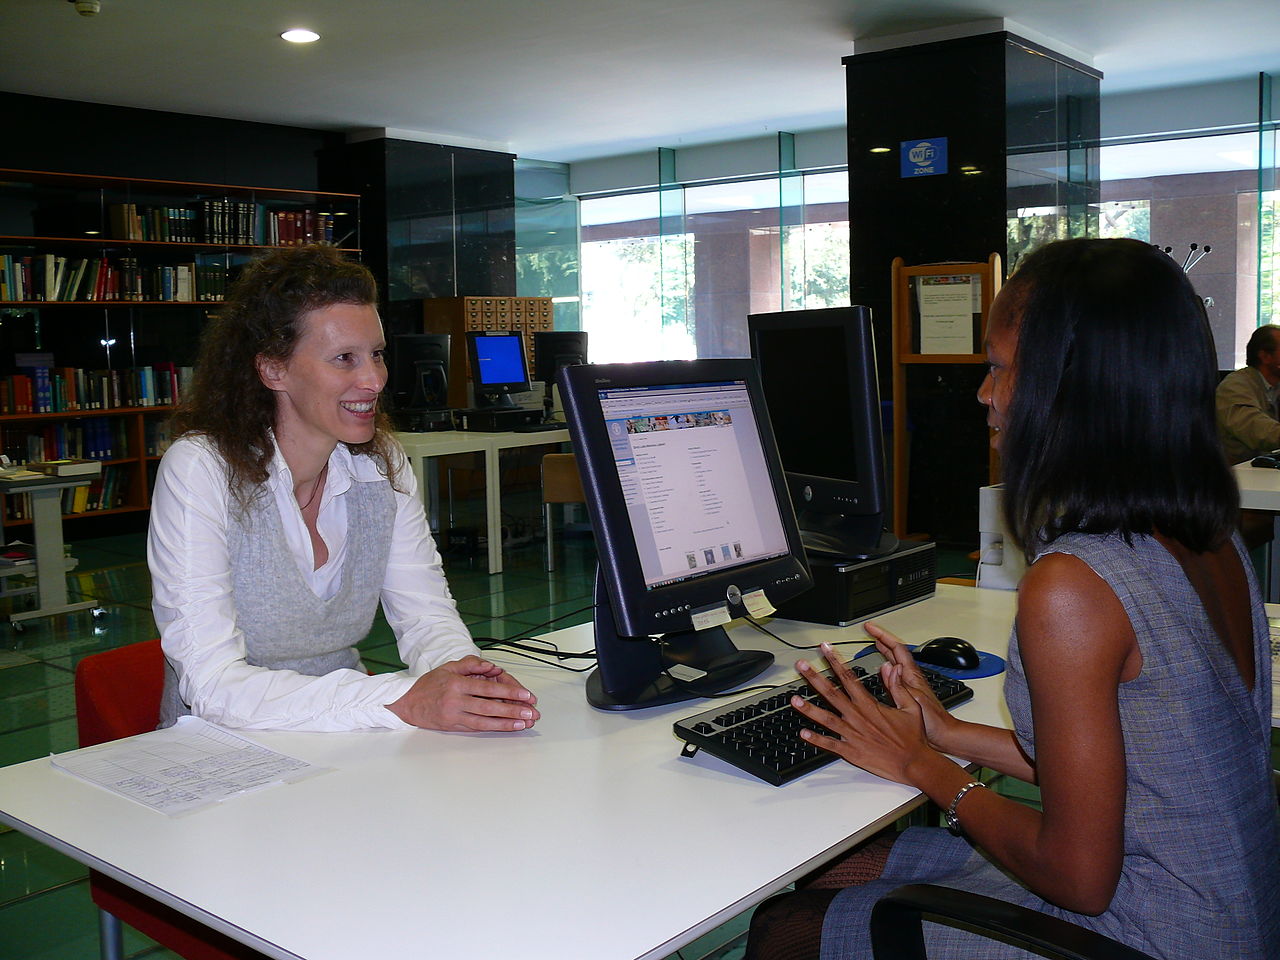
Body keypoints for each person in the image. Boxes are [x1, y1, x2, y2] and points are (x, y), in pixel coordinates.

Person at [746, 238, 1279, 960]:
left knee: (786, 930)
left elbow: (1078, 877)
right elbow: (1134, 769)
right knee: (843, 871)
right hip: (1224, 917)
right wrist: (941, 733)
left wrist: (922, 770)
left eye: (997, 369)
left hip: (1141, 934)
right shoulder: (1207, 536)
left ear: (1071, 388)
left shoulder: (1075, 586)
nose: (984, 394)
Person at [149, 244, 540, 733]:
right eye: (344, 359)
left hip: (349, 730)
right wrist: (404, 697)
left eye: (376, 354)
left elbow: (427, 617)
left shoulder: (383, 463)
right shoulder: (202, 469)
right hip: (225, 751)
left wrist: (465, 676)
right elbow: (212, 688)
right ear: (273, 369)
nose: (374, 379)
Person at [1216, 323, 1280, 464]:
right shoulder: (1234, 387)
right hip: (1238, 476)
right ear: (1265, 356)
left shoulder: (1276, 386)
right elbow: (1258, 431)